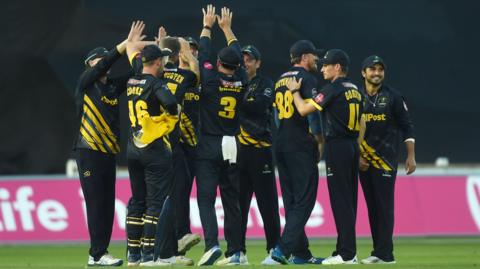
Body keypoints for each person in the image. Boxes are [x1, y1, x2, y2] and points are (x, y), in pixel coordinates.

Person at [286, 49, 365, 265]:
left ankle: (346, 254)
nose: (322, 69)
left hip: (337, 147)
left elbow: (303, 110)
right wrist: (357, 148)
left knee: (340, 201)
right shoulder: (355, 89)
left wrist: (294, 91)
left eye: (326, 65)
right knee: (349, 201)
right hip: (351, 146)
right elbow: (362, 123)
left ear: (337, 67)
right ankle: (346, 250)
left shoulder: (332, 89)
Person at [74, 24, 139, 267]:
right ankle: (97, 253)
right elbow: (104, 65)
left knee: (107, 205)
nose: (103, 64)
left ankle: (100, 253)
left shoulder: (112, 86)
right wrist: (122, 46)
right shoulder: (85, 84)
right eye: (98, 61)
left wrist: (144, 48)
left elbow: (138, 72)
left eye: (104, 59)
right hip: (88, 151)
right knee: (95, 203)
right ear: (90, 64)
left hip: (108, 154)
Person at [195, 5, 248, 266]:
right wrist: (228, 30)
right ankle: (236, 251)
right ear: (237, 66)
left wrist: (207, 27)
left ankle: (212, 244)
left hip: (209, 142)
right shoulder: (241, 81)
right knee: (231, 200)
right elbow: (237, 56)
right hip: (233, 144)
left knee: (206, 197)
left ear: (218, 64)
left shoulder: (211, 79)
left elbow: (203, 52)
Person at [124, 21, 180, 266]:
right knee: (155, 203)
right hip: (154, 150)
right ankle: (149, 256)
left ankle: (133, 255)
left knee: (137, 201)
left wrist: (153, 45)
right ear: (156, 63)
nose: (164, 64)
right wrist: (173, 109)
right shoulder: (157, 84)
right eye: (162, 60)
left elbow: (130, 48)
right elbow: (169, 103)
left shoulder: (133, 78)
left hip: (132, 150)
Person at [358, 55, 416, 264]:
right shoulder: (355, 96)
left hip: (385, 161)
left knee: (383, 207)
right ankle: (379, 251)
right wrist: (357, 157)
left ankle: (385, 254)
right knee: (373, 208)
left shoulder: (393, 97)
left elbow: (407, 126)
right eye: (372, 69)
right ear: (363, 73)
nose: (377, 73)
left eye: (380, 69)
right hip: (363, 162)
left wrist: (410, 155)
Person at [270, 40, 323, 265]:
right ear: (304, 58)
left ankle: (301, 253)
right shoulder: (307, 78)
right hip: (300, 144)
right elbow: (312, 113)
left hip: (281, 143)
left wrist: (282, 136)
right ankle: (282, 248)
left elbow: (275, 114)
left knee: (291, 200)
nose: (317, 60)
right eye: (313, 56)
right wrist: (319, 140)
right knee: (306, 198)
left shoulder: (280, 80)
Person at [158, 33, 201, 265]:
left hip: (155, 142)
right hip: (170, 145)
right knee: (172, 193)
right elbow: (195, 76)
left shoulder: (152, 75)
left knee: (171, 194)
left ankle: (169, 249)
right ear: (178, 54)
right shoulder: (183, 75)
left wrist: (159, 47)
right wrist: (189, 57)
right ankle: (166, 250)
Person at [237, 45, 281, 265]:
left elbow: (260, 105)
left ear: (258, 63)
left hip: (260, 150)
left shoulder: (266, 84)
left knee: (268, 205)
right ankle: (238, 252)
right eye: (243, 59)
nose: (245, 62)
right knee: (238, 205)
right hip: (238, 152)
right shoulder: (233, 81)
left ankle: (274, 249)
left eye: (250, 59)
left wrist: (238, 101)